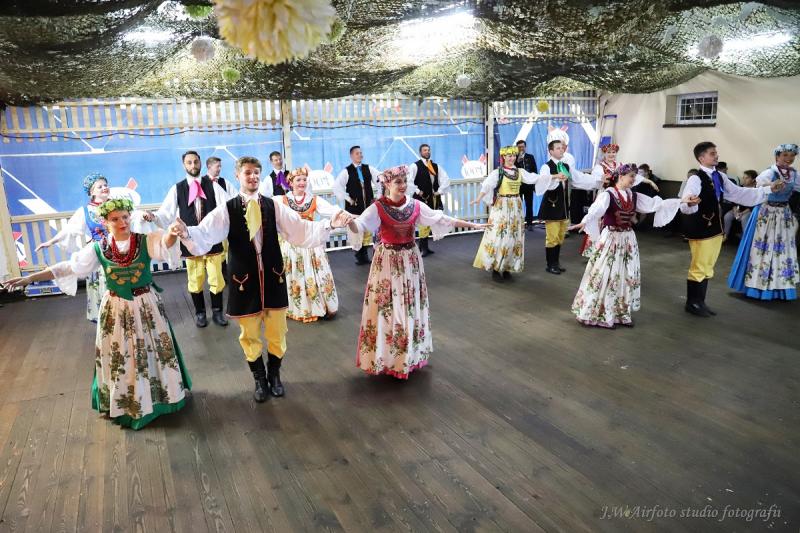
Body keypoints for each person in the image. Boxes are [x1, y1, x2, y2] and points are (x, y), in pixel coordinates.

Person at [175, 156, 353, 402]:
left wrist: (330, 224)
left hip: (273, 278)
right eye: (247, 172)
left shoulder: (273, 205)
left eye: (256, 172)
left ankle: (275, 375)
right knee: (249, 334)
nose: (253, 177)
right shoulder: (228, 208)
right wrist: (186, 232)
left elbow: (299, 229)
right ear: (238, 176)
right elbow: (206, 233)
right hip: (243, 281)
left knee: (278, 332)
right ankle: (259, 378)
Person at [2, 198, 190, 430]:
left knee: (153, 349)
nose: (122, 222)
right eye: (115, 219)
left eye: (125, 217)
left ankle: (159, 397)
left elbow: (164, 244)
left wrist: (172, 232)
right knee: (121, 354)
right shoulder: (98, 248)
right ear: (105, 222)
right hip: (116, 307)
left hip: (145, 305)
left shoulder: (145, 240)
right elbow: (69, 267)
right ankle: (126, 403)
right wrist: (30, 278)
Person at [347, 166, 488, 379]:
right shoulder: (377, 207)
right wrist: (348, 221)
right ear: (387, 184)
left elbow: (442, 219)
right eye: (398, 182)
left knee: (409, 306)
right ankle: (389, 358)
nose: (403, 186)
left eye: (404, 181)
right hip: (388, 261)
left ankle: (407, 355)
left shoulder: (415, 205)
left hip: (410, 260)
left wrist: (474, 225)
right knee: (389, 307)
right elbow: (359, 226)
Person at [570, 164, 681, 328]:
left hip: (627, 239)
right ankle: (599, 313)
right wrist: (584, 222)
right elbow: (595, 211)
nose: (633, 180)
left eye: (635, 177)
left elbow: (655, 204)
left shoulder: (634, 196)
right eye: (631, 176)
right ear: (621, 177)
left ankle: (620, 313)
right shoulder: (608, 194)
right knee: (606, 274)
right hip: (611, 238)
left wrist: (681, 201)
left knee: (625, 275)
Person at [680, 141, 782, 316]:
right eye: (712, 153)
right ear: (701, 158)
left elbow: (739, 193)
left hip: (715, 228)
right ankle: (692, 303)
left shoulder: (720, 176)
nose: (717, 155)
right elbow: (686, 201)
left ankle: (700, 302)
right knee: (699, 265)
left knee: (708, 266)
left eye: (716, 152)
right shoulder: (695, 178)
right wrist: (689, 202)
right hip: (700, 228)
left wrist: (768, 189)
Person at [35, 173, 154, 322]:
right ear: (91, 192)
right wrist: (51, 241)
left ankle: (131, 312)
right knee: (105, 286)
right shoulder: (85, 211)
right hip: (101, 254)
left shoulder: (117, 205)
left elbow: (134, 215)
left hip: (121, 249)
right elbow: (69, 229)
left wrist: (144, 215)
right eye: (100, 186)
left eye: (105, 185)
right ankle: (110, 319)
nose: (104, 188)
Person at [151, 151, 228, 328]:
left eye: (195, 162)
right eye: (189, 162)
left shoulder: (213, 185)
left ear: (200, 163)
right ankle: (200, 313)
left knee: (216, 277)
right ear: (184, 165)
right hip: (190, 240)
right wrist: (153, 217)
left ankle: (217, 312)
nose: (193, 165)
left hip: (212, 239)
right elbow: (166, 212)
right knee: (195, 277)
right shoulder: (177, 188)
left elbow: (227, 205)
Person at [728, 144, 799, 300]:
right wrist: (770, 185)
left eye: (792, 155)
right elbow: (757, 189)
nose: (789, 158)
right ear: (777, 156)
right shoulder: (769, 172)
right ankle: (757, 287)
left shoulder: (794, 174)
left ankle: (779, 288)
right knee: (763, 249)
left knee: (781, 250)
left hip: (783, 214)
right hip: (766, 213)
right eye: (785, 155)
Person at [470, 146, 543, 281]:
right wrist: (479, 198)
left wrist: (554, 176)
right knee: (500, 236)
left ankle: (508, 266)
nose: (512, 158)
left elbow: (535, 178)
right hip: (502, 206)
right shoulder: (498, 172)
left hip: (516, 206)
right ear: (503, 157)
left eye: (514, 155)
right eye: (509, 156)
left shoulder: (520, 172)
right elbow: (487, 186)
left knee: (514, 237)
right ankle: (497, 268)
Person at [280, 167, 343, 322]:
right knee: (295, 275)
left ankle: (319, 305)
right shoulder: (282, 200)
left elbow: (332, 211)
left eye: (304, 179)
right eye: (298, 180)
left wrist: (345, 216)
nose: (302, 182)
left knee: (316, 274)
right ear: (291, 183)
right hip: (292, 245)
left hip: (311, 242)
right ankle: (298, 307)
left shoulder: (314, 200)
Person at [536, 140, 598, 274]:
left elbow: (579, 178)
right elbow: (542, 182)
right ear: (551, 151)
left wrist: (597, 180)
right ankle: (550, 264)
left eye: (562, 148)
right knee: (552, 237)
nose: (561, 150)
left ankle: (556, 262)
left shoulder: (565, 166)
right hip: (552, 206)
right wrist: (556, 177)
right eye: (558, 148)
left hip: (563, 207)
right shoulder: (546, 166)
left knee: (560, 236)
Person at [333, 146, 381, 265]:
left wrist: (378, 197)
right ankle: (359, 255)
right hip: (354, 208)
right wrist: (348, 199)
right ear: (351, 156)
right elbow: (337, 187)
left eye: (361, 153)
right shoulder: (346, 171)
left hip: (368, 207)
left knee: (366, 230)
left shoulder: (369, 168)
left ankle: (364, 254)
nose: (360, 155)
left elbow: (380, 181)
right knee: (356, 231)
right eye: (357, 153)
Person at [407, 143, 451, 256]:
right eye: (425, 150)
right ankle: (423, 248)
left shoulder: (435, 166)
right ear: (420, 152)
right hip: (421, 199)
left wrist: (439, 191)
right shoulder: (415, 166)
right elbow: (409, 181)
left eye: (428, 150)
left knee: (430, 221)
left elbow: (445, 179)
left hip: (433, 199)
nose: (427, 152)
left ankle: (424, 247)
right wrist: (418, 191)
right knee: (423, 222)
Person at [722, 170, 757, 240]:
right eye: (743, 177)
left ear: (753, 179)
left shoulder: (756, 190)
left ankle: (745, 239)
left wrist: (742, 213)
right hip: (738, 209)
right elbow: (734, 201)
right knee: (727, 216)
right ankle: (725, 237)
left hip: (748, 211)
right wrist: (735, 210)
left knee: (744, 218)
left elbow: (753, 205)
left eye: (747, 178)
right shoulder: (740, 187)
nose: (744, 179)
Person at [515, 140, 538, 231]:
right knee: (518, 205)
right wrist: (517, 161)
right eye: (519, 147)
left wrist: (534, 183)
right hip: (518, 185)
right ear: (517, 148)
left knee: (529, 205)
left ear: (525, 147)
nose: (521, 148)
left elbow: (534, 170)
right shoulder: (514, 157)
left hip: (528, 184)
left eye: (523, 146)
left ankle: (529, 223)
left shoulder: (530, 157)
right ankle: (519, 223)